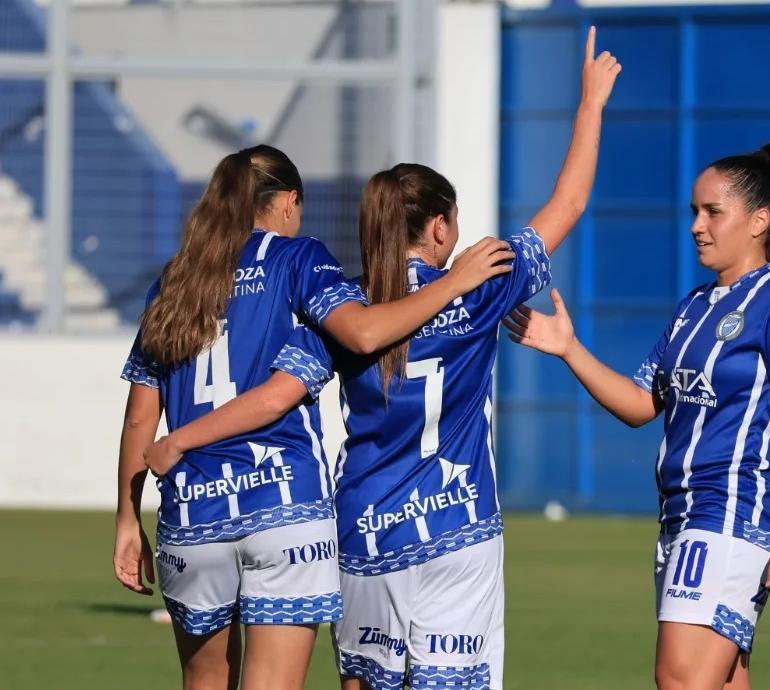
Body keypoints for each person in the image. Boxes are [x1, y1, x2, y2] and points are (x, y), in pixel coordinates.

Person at [144, 27, 620, 690]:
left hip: (365, 534)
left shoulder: (346, 309)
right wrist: (591, 103)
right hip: (458, 529)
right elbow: (568, 203)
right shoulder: (483, 283)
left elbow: (276, 395)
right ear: (442, 226)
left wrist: (181, 439)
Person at [113, 144, 515, 690]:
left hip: (192, 510)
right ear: (288, 202)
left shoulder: (174, 281)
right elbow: (359, 336)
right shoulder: (299, 258)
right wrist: (453, 283)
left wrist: (127, 518)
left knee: (203, 680)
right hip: (284, 506)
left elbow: (139, 420)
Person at [503, 144, 770, 690]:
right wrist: (569, 349)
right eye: (694, 212)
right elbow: (639, 404)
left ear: (759, 221)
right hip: (680, 517)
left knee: (679, 679)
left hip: (729, 514)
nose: (697, 226)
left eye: (713, 212)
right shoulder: (693, 308)